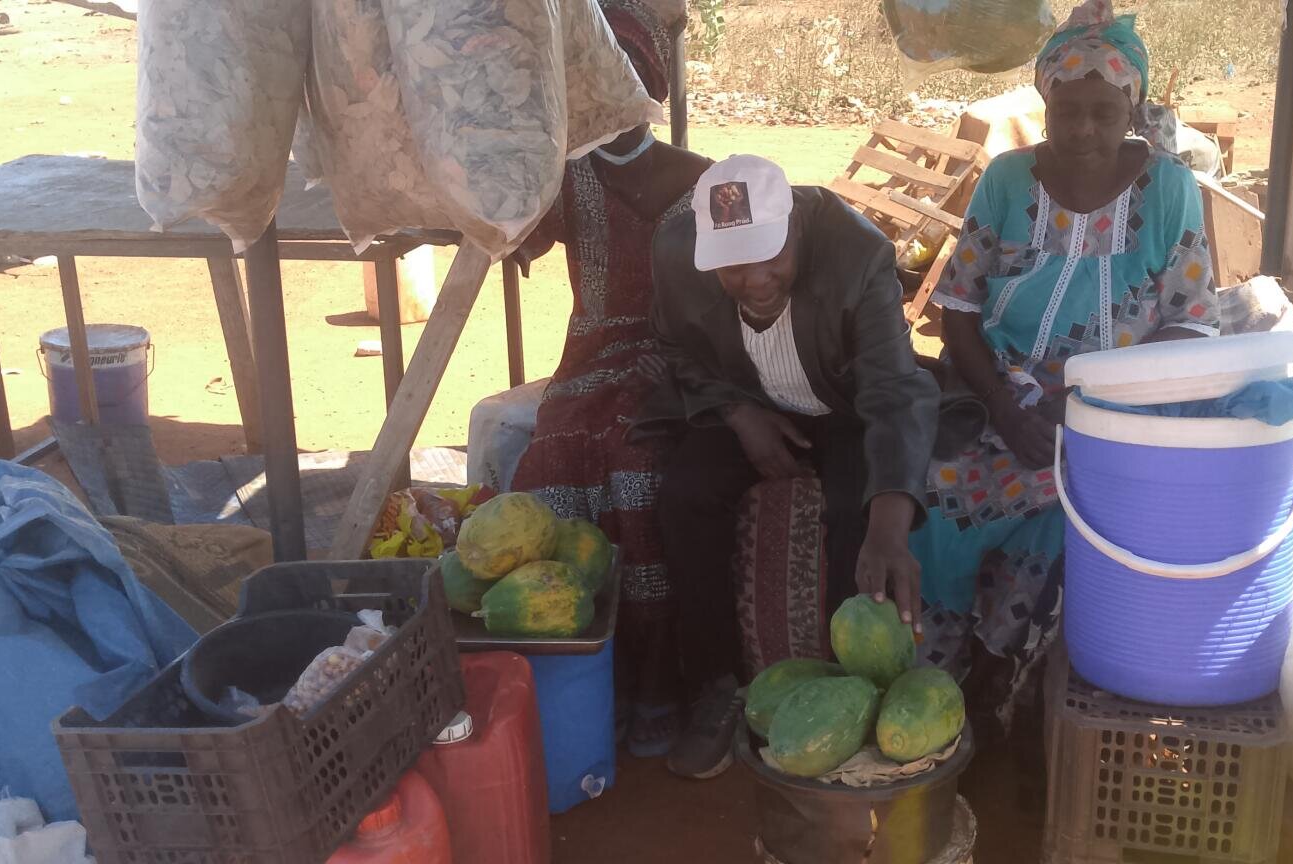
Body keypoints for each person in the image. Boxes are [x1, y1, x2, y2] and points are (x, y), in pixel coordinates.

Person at [906, 0, 1220, 731]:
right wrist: (1009, 409)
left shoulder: (1171, 190)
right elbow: (957, 308)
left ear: (1131, 108)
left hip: (1123, 409)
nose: (1083, 129)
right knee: (940, 484)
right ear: (1044, 101)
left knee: (1073, 507)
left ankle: (1000, 679)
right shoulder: (1008, 180)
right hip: (1002, 394)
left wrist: (1089, 408)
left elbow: (1191, 322)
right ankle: (935, 671)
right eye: (1067, 110)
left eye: (1103, 113)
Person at [646, 155, 941, 779]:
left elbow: (891, 388)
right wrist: (736, 414)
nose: (754, 280)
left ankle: (845, 699)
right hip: (748, 399)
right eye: (733, 265)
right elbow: (674, 346)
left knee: (851, 505)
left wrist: (890, 527)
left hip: (845, 405)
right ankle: (714, 687)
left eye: (769, 256)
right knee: (685, 495)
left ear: (795, 227)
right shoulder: (678, 252)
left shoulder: (858, 253)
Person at [508, 0, 712, 759]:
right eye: (600, 82)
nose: (612, 102)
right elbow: (511, 237)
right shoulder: (568, 180)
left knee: (638, 468)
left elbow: (736, 298)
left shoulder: (703, 179)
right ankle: (591, 671)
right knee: (550, 465)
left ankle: (657, 678)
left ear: (651, 85)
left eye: (628, 80)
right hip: (588, 359)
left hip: (679, 363)